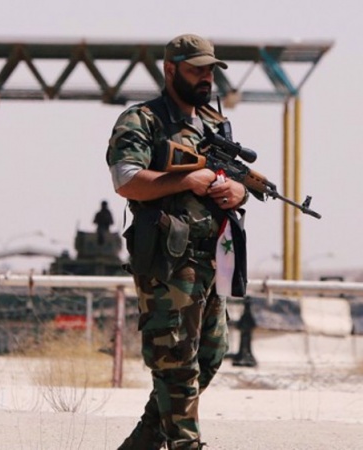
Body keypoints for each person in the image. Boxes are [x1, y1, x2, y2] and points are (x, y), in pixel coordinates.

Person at [106, 34, 250, 450]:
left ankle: (146, 439)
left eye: (210, 71)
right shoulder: (143, 120)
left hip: (213, 257)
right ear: (170, 70)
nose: (206, 78)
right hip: (169, 259)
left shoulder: (214, 124)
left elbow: (234, 181)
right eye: (196, 70)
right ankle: (187, 444)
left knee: (211, 354)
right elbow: (126, 180)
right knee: (175, 361)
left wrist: (238, 192)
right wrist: (185, 180)